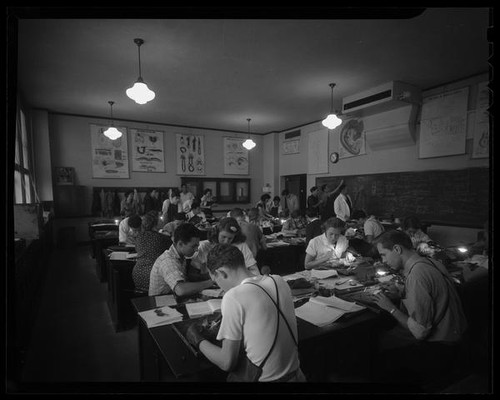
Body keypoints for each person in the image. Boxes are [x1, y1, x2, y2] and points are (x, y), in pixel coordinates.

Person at [186, 243, 306, 382]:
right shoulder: (278, 280)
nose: (220, 287)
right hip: (297, 376)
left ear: (221, 273)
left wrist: (197, 339)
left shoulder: (233, 296)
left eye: (216, 280)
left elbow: (227, 362)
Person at [370, 230, 468, 385]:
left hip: (441, 348)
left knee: (377, 349)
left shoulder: (417, 275)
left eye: (383, 254)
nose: (383, 260)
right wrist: (402, 292)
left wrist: (390, 308)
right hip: (457, 335)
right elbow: (432, 295)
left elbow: (420, 331)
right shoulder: (430, 262)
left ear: (397, 249)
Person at [148, 222, 214, 297]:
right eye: (193, 246)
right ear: (180, 244)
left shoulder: (181, 256)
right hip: (161, 304)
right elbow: (181, 290)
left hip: (172, 298)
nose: (196, 250)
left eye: (197, 246)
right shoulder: (167, 261)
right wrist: (211, 282)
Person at [191, 217, 261, 276]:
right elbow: (194, 271)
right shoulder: (205, 246)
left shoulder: (241, 246)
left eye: (230, 238)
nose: (226, 241)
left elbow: (254, 270)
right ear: (217, 233)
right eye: (223, 237)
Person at [132, 211, 172, 292]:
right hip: (153, 276)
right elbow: (171, 252)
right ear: (155, 224)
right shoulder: (162, 238)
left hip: (137, 274)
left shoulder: (139, 237)